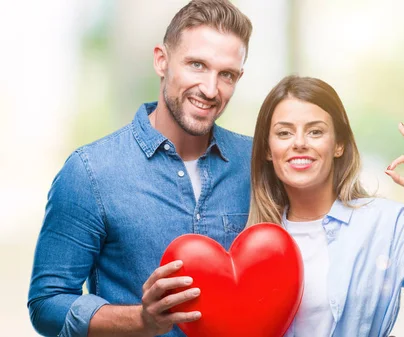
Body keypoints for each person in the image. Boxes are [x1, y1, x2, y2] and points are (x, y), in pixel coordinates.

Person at [27, 1, 253, 336]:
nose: (210, 88)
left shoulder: (255, 163)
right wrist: (141, 319)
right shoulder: (91, 171)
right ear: (162, 60)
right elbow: (47, 303)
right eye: (196, 65)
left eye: (226, 75)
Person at [247, 75, 404, 337]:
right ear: (268, 150)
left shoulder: (387, 224)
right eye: (284, 133)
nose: (299, 143)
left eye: (315, 131)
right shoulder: (253, 242)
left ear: (339, 145)